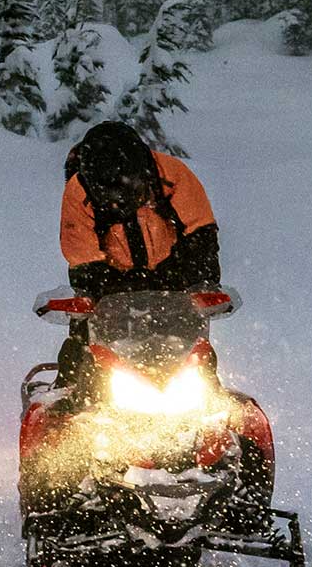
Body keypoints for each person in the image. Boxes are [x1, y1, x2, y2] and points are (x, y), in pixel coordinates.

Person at [49, 119, 220, 397]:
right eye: (108, 192)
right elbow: (81, 256)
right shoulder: (78, 192)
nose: (117, 199)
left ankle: (221, 421)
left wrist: (202, 284)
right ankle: (64, 414)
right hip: (110, 283)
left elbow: (201, 231)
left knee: (197, 358)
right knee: (79, 355)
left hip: (173, 275)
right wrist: (94, 297)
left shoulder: (173, 175)